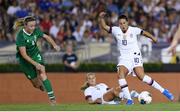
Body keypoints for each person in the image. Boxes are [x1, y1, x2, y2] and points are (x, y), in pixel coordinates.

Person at [98, 12, 174, 105]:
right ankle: (130, 100)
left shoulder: (133, 30)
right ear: (119, 24)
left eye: (124, 23)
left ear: (127, 22)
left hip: (135, 55)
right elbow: (105, 27)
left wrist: (153, 38)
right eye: (120, 23)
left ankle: (164, 91)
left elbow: (144, 32)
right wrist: (101, 18)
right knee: (120, 75)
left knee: (141, 77)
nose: (122, 25)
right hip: (124, 58)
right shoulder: (115, 30)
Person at [15, 16, 60, 105]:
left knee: (42, 72)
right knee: (35, 84)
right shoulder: (20, 36)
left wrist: (54, 45)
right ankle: (40, 85)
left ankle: (52, 99)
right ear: (25, 25)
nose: (33, 28)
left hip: (36, 55)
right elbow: (24, 55)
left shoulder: (36, 30)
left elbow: (46, 37)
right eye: (31, 26)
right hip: (25, 60)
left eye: (34, 26)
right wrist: (35, 64)